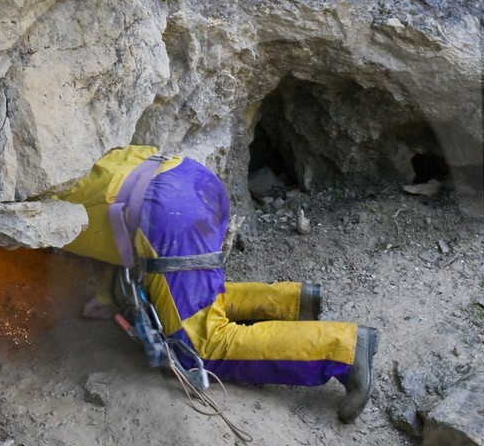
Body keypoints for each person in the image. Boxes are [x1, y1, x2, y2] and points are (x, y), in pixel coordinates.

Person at [56, 145, 378, 421]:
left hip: (166, 215)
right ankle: (293, 302)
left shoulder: (34, 200)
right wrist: (109, 296)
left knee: (201, 344)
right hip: (191, 178)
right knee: (183, 299)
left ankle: (344, 350)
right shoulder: (67, 153)